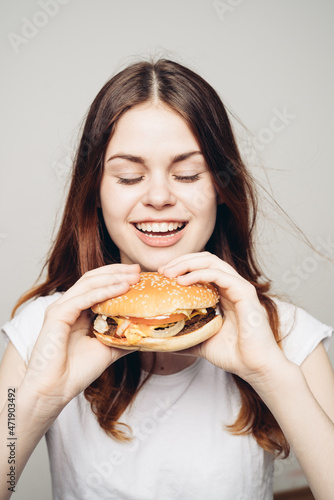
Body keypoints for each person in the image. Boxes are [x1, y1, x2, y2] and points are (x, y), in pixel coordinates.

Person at [0, 58, 333, 500]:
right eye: (129, 176)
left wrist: (271, 375)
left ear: (220, 188)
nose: (159, 197)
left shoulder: (285, 334)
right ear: (96, 192)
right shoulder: (44, 328)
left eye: (188, 174)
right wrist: (38, 399)